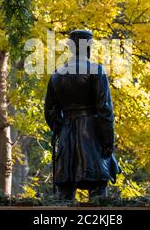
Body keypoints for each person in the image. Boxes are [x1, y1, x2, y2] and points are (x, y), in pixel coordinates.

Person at [44, 29, 121, 200]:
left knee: (65, 193)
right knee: (97, 191)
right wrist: (108, 141)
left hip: (66, 139)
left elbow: (49, 113)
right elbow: (105, 110)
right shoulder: (96, 71)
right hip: (92, 138)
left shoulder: (56, 75)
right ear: (88, 47)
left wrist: (62, 130)